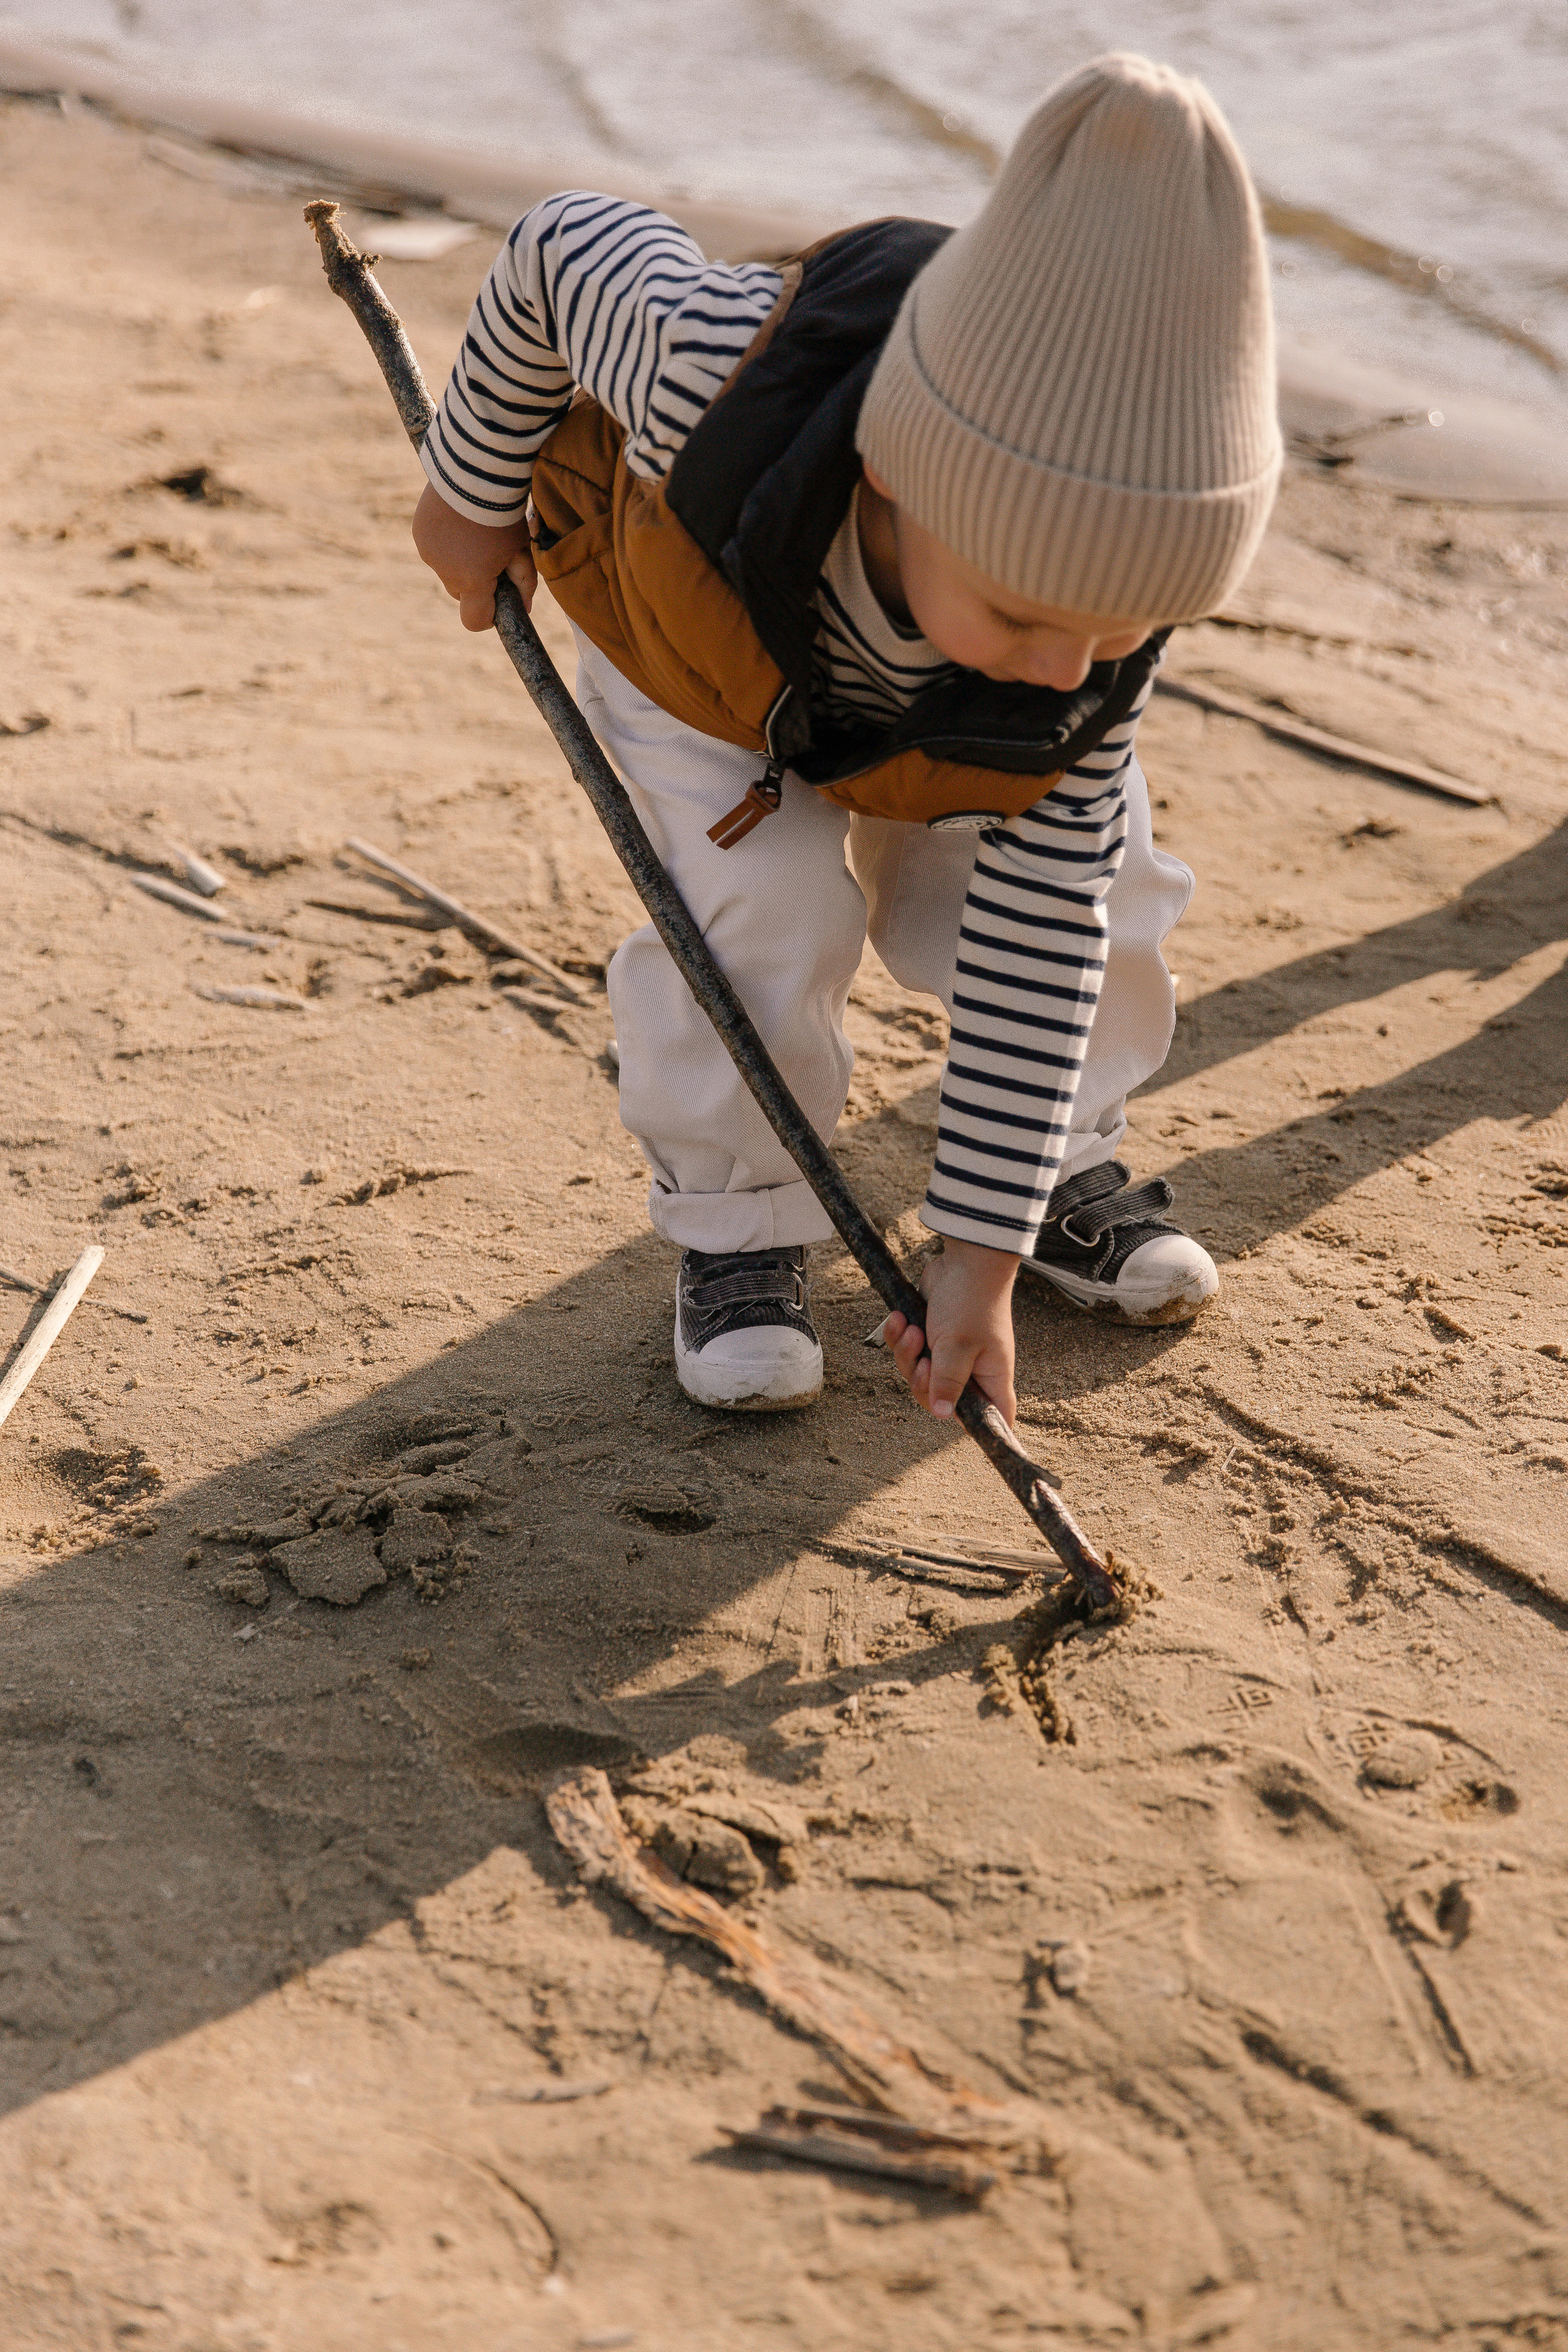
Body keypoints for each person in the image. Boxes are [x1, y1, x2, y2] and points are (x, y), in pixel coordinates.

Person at [411, 51, 1281, 1426]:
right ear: (891, 468)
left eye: (1119, 632)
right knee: (757, 909)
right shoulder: (709, 367)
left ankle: (1051, 1167)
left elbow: (1038, 938)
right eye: (1024, 611)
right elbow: (556, 248)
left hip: (940, 739)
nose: (1066, 670)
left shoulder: (1070, 666)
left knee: (1097, 890)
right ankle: (743, 1226)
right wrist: (468, 493)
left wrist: (976, 1267)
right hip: (699, 655)